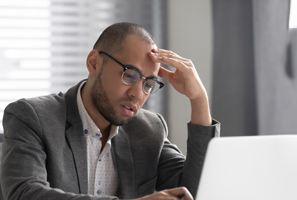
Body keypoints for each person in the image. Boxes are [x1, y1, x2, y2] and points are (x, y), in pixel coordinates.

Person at [0, 22, 220, 200]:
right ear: (94, 63)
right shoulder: (32, 116)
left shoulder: (149, 129)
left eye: (148, 84)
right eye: (130, 75)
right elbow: (24, 193)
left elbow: (194, 190)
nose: (138, 94)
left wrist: (198, 99)